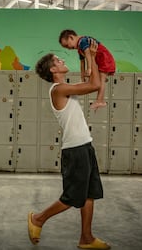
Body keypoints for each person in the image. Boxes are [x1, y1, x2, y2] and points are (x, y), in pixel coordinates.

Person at [29, 39, 111, 249]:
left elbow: (91, 80)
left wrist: (88, 59)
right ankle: (38, 219)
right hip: (74, 150)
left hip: (85, 146)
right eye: (57, 60)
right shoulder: (58, 90)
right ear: (53, 69)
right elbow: (94, 85)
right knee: (72, 197)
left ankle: (86, 238)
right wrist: (91, 56)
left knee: (90, 194)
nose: (62, 59)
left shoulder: (64, 87)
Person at [59, 29, 116, 110]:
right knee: (100, 80)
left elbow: (88, 54)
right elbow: (82, 63)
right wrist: (82, 76)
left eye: (67, 45)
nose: (69, 48)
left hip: (104, 58)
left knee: (101, 80)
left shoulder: (82, 41)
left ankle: (100, 100)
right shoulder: (79, 47)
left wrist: (89, 69)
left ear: (71, 37)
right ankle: (100, 100)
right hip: (99, 60)